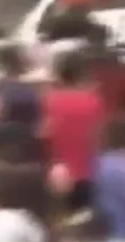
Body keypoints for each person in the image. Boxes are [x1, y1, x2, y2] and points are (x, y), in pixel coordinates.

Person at [42, 49, 105, 213]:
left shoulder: (49, 100)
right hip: (90, 170)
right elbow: (99, 136)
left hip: (60, 173)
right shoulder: (94, 100)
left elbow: (44, 134)